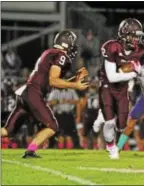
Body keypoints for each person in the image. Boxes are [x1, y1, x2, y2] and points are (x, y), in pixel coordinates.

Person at [1, 30, 89, 158]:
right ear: (67, 43)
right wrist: (75, 85)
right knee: (52, 126)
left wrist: (73, 80)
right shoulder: (60, 55)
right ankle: (30, 151)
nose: (74, 46)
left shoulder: (50, 52)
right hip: (34, 93)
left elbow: (52, 82)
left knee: (6, 131)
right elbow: (54, 80)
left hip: (27, 92)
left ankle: (30, 151)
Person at [98, 18, 144, 159]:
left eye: (138, 36)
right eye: (133, 36)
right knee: (110, 122)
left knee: (122, 125)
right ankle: (111, 146)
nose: (136, 39)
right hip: (107, 86)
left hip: (122, 88)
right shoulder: (112, 47)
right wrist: (132, 73)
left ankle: (104, 119)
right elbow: (111, 77)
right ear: (124, 34)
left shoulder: (141, 51)